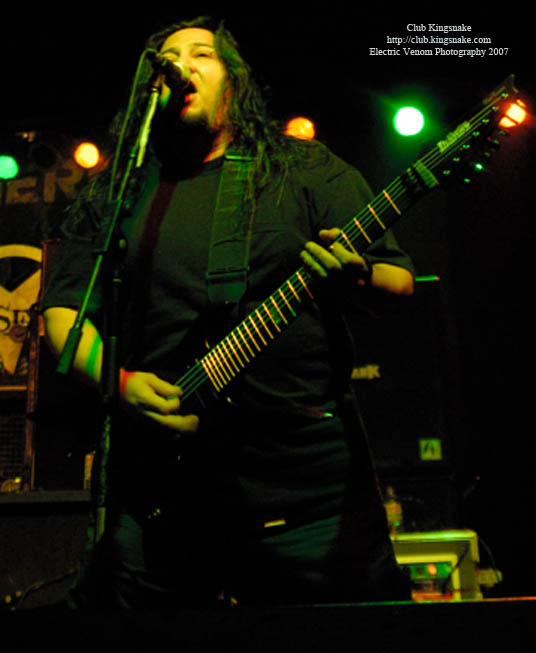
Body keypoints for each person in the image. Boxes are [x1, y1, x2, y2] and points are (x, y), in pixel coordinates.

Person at [42, 16, 415, 609]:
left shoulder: (302, 168)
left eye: (202, 54)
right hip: (162, 486)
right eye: (168, 58)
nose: (181, 65)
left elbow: (399, 279)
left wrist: (357, 275)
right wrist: (122, 383)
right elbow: (64, 315)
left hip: (303, 487)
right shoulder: (118, 191)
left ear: (233, 81)